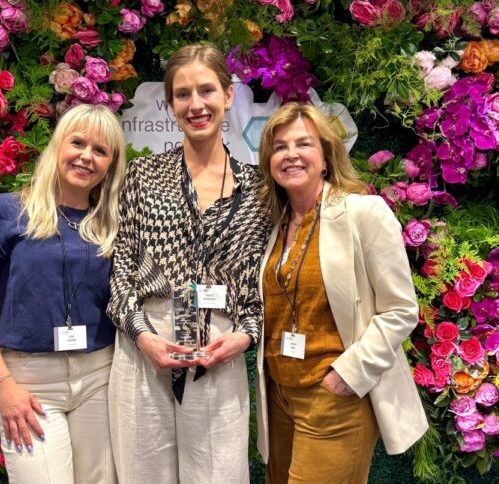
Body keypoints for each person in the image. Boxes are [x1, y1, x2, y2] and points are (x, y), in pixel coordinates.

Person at [106, 44, 271, 484]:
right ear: (170, 103)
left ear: (228, 94)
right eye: (183, 94)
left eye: (206, 90)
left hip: (218, 348)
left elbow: (259, 284)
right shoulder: (142, 177)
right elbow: (121, 273)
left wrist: (244, 336)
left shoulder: (257, 189)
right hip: (146, 345)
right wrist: (143, 337)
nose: (196, 104)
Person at [0, 104, 126, 483]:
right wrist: (2, 385)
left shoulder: (112, 225)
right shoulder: (7, 211)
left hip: (101, 377)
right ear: (58, 145)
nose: (86, 157)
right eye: (78, 143)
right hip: (29, 381)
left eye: (100, 150)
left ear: (111, 164)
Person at [255, 103, 428, 483]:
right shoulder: (275, 225)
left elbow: (400, 310)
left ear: (326, 156)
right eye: (280, 147)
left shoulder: (363, 213)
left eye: (303, 144)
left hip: (334, 396)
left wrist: (347, 375)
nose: (290, 154)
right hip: (279, 396)